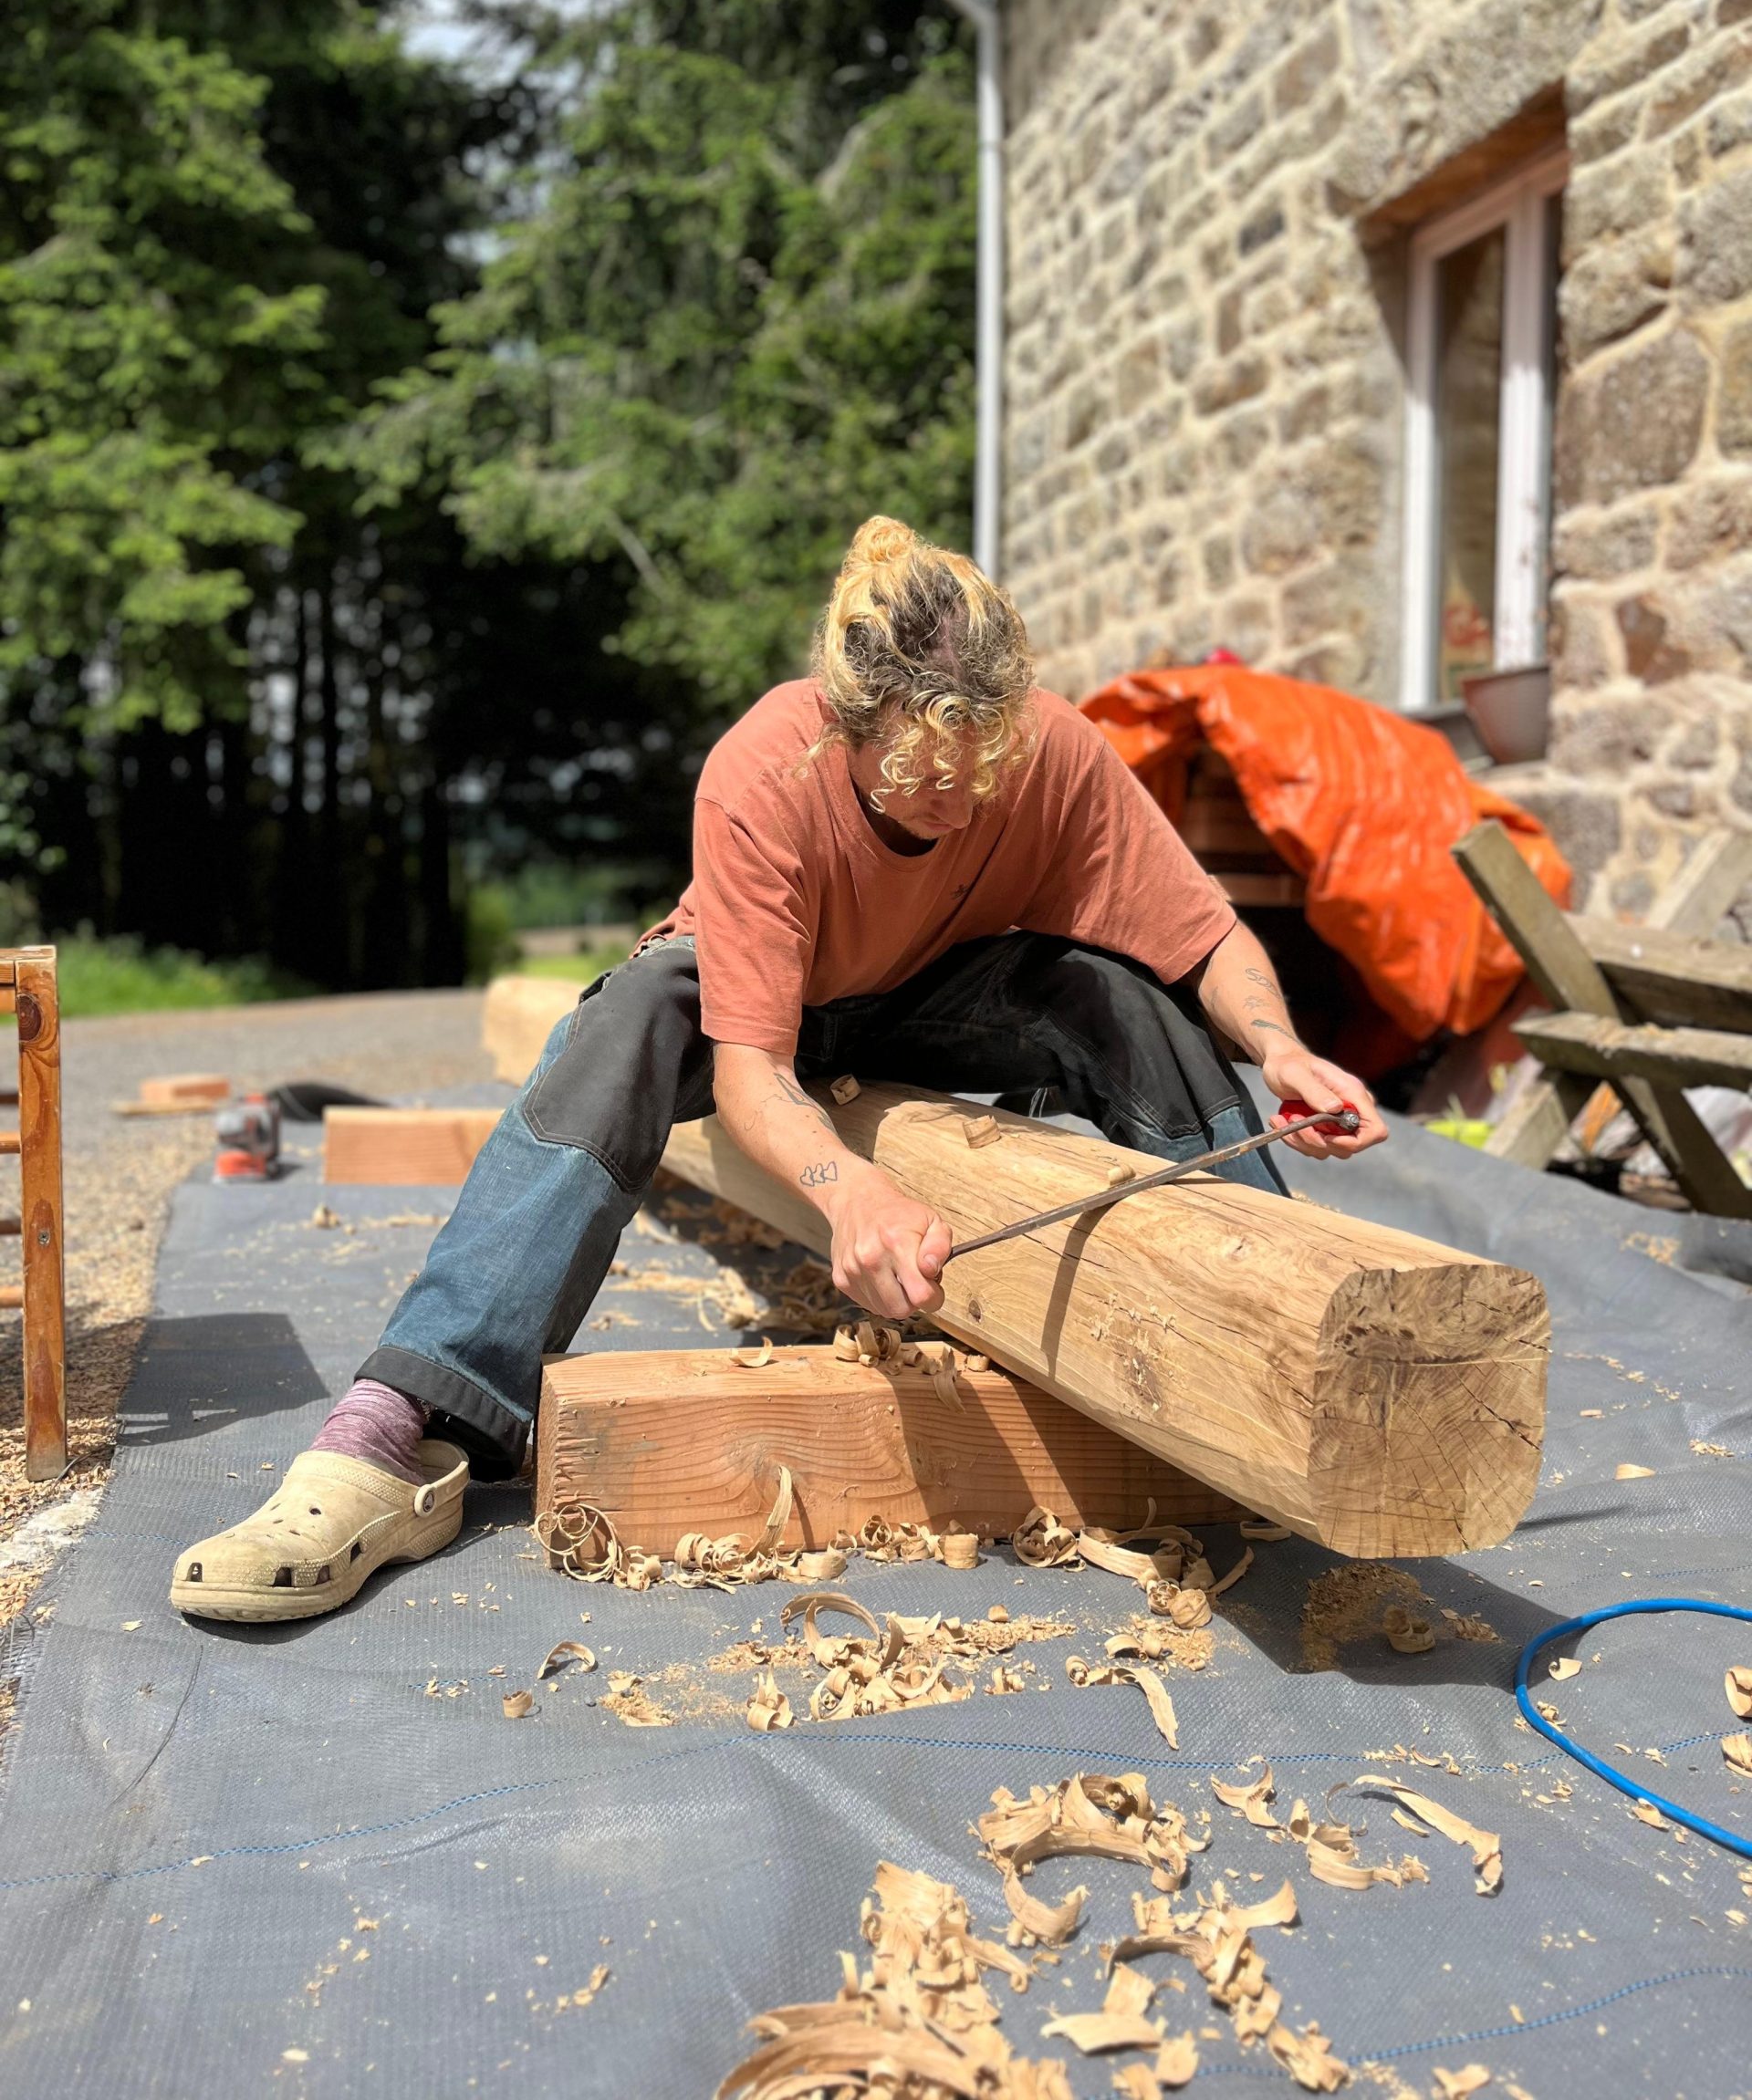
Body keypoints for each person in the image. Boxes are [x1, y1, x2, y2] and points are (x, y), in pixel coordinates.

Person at [172, 518, 1385, 1623]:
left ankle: (1284, 1334)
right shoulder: (767, 767)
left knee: (1122, 992)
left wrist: (1279, 1048)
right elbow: (752, 1072)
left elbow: (1206, 936)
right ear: (848, 730)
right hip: (767, 1006)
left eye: (983, 770)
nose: (958, 803)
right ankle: (403, 1422)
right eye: (922, 779)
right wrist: (847, 1191)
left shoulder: (1054, 754)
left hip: (936, 999)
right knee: (636, 1011)